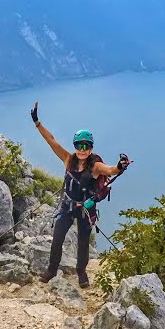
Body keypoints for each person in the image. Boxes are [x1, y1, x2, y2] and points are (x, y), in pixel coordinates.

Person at [31, 101, 131, 288]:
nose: (82, 149)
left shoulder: (95, 166)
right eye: (79, 145)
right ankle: (51, 270)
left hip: (86, 209)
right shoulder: (68, 159)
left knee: (83, 243)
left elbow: (110, 171)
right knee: (58, 238)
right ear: (75, 146)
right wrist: (37, 122)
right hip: (68, 206)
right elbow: (51, 140)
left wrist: (120, 166)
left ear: (91, 148)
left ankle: (81, 272)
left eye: (86, 146)